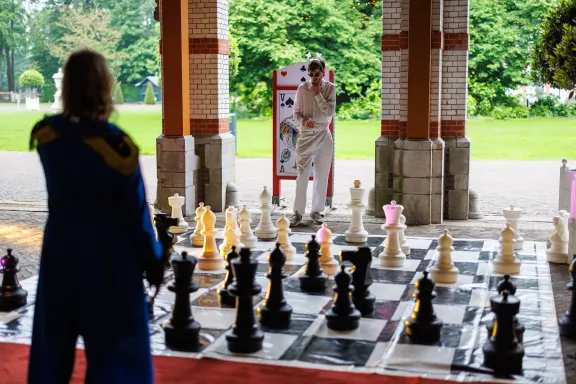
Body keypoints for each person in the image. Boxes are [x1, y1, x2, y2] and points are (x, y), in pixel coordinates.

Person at [27, 49, 164, 384]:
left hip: (59, 254)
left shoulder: (46, 135)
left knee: (51, 351)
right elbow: (135, 217)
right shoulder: (117, 147)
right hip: (109, 262)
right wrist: (155, 260)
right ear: (104, 87)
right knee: (116, 359)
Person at [290, 57, 336, 226]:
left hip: (324, 134)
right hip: (306, 135)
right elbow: (296, 112)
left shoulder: (330, 89)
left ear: (323, 73)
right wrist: (303, 121)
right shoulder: (302, 89)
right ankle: (297, 213)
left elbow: (329, 111)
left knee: (322, 175)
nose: (314, 77)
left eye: (317, 74)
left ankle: (317, 211)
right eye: (311, 74)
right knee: (302, 174)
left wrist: (317, 95)